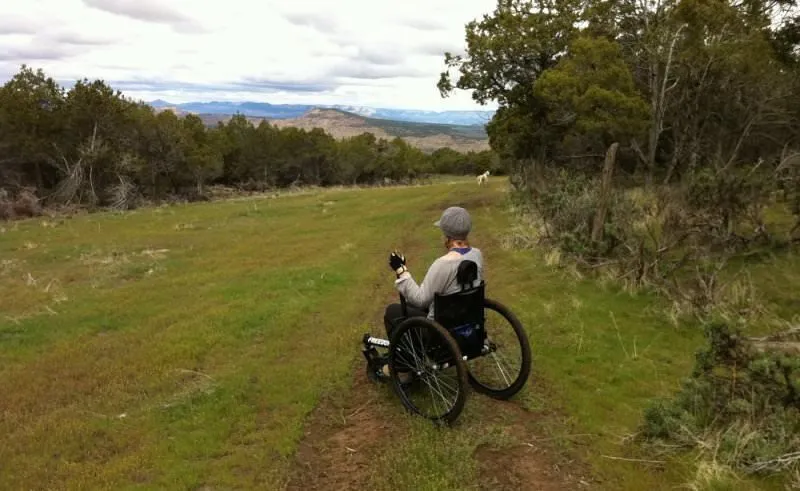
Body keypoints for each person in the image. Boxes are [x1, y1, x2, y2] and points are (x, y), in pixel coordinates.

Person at [383, 206, 484, 340]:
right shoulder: (477, 255)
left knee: (392, 311)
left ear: (446, 235)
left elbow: (421, 300)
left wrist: (401, 270)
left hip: (441, 332)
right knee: (408, 306)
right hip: (467, 322)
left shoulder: (443, 264)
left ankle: (405, 359)